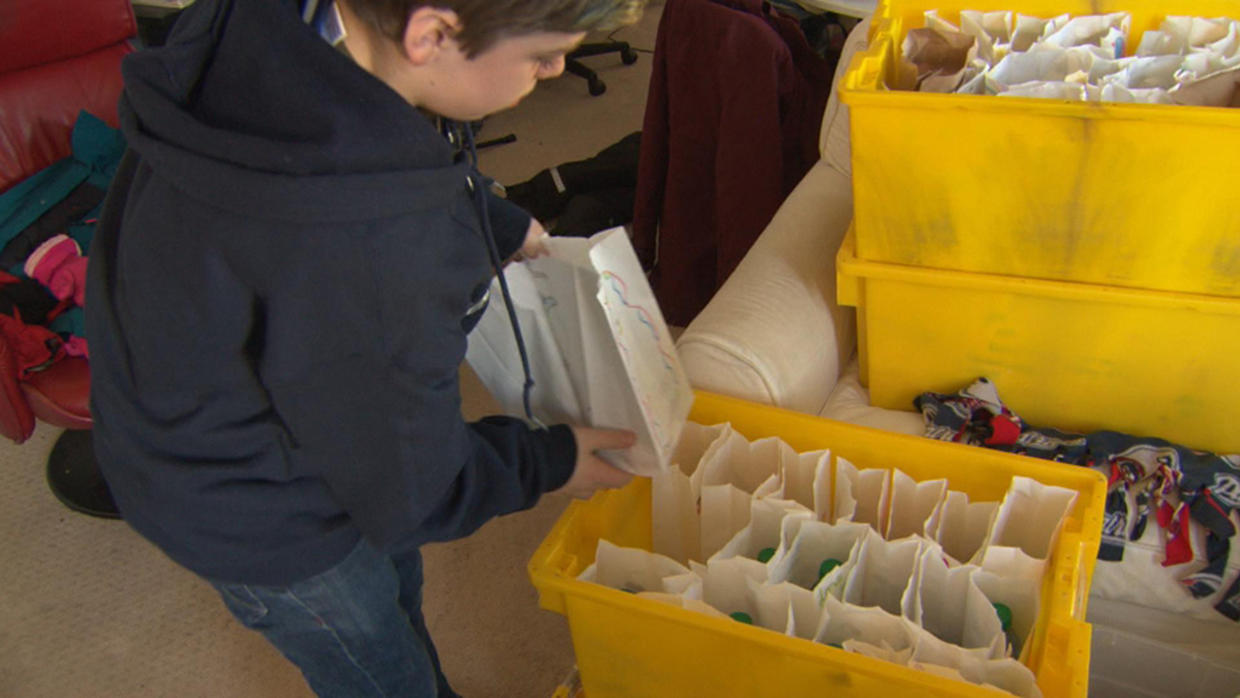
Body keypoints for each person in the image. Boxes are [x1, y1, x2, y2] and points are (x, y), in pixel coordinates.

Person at [84, 0, 646, 695]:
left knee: (390, 590)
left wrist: (483, 220)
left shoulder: (260, 26)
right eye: (542, 57)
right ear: (431, 34)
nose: (558, 68)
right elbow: (421, 487)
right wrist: (551, 460)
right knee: (376, 661)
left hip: (168, 412)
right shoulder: (374, 250)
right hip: (260, 516)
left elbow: (373, 159)